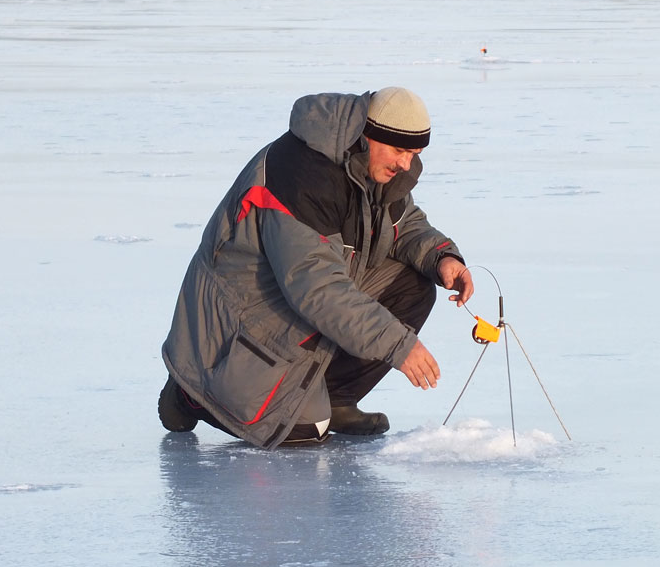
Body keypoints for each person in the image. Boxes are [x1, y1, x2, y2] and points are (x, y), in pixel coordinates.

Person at [158, 87, 474, 449]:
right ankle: (192, 393)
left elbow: (403, 223)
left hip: (295, 304)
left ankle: (335, 396)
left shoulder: (372, 165)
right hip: (243, 321)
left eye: (414, 154)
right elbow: (319, 291)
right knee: (306, 430)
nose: (406, 164)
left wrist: (443, 256)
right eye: (400, 150)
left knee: (413, 285)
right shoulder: (301, 175)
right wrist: (398, 345)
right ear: (368, 135)